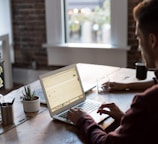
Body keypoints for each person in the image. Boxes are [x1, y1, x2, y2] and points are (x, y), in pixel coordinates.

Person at [67, 0, 158, 143]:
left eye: (139, 38)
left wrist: (83, 119)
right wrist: (127, 119)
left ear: (152, 41)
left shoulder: (147, 102)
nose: (139, 48)